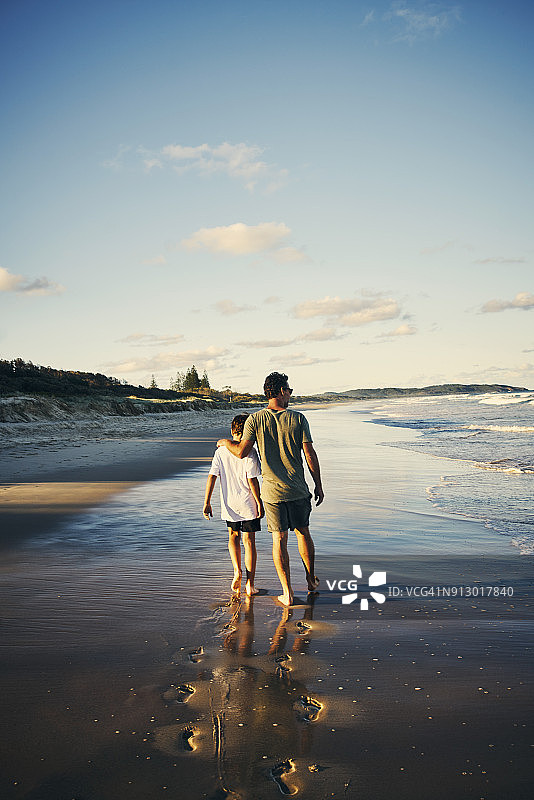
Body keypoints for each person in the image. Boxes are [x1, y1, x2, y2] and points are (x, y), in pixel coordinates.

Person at [217, 372, 324, 606]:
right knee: (303, 532)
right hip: (297, 488)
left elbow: (242, 452)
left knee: (279, 539)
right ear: (281, 391)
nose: (291, 395)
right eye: (290, 390)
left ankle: (287, 593)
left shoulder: (254, 420)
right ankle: (310, 579)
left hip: (272, 493)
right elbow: (309, 454)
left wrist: (226, 442)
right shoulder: (298, 418)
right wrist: (318, 484)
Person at [203, 414, 264, 597]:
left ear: (232, 431)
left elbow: (212, 476)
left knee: (233, 536)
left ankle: (236, 570)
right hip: (248, 503)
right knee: (249, 541)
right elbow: (252, 480)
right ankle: (250, 585)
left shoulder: (221, 451)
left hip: (229, 503)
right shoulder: (250, 452)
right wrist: (259, 502)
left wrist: (207, 502)